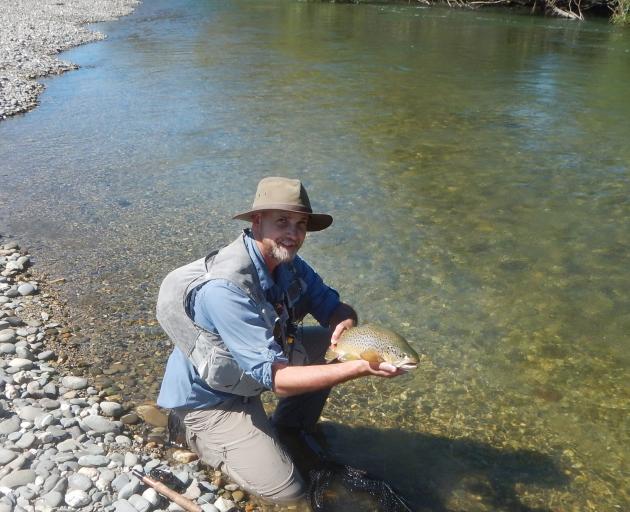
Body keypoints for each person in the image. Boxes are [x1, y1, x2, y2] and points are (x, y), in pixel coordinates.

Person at [156, 176, 403, 503]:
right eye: (282, 221)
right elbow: (280, 380)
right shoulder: (224, 290)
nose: (293, 234)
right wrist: (360, 366)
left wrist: (344, 327)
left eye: (300, 225)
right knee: (288, 492)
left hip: (252, 372)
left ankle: (290, 425)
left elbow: (335, 306)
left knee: (329, 345)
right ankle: (192, 431)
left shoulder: (289, 264)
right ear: (257, 221)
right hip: (211, 400)